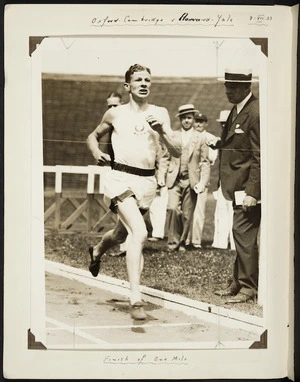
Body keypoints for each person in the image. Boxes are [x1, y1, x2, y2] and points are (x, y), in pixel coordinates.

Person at [86, 64, 181, 320]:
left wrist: (162, 130)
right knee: (139, 232)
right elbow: (92, 137)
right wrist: (97, 153)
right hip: (120, 179)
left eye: (147, 80)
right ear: (128, 86)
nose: (143, 83)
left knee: (120, 234)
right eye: (138, 79)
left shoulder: (160, 113)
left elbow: (177, 151)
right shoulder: (115, 114)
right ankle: (136, 298)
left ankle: (96, 251)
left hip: (147, 184)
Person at [207, 68, 260, 303]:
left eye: (234, 87)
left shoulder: (255, 112)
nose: (229, 90)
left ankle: (248, 287)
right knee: (239, 234)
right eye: (227, 86)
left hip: (247, 189)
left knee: (243, 233)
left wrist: (252, 192)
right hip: (235, 186)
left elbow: (259, 156)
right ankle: (238, 282)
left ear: (247, 87)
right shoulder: (237, 109)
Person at [165, 104, 210, 252]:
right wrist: (161, 176)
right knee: (172, 209)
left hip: (191, 180)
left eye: (189, 118)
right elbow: (165, 157)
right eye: (184, 118)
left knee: (187, 213)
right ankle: (172, 243)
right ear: (180, 119)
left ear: (193, 118)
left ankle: (182, 242)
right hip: (175, 179)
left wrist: (203, 182)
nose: (186, 121)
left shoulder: (200, 137)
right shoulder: (173, 136)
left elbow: (204, 162)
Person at [186, 113, 218, 248]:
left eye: (201, 122)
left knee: (199, 210)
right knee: (187, 210)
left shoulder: (210, 138)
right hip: (189, 176)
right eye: (197, 121)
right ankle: (185, 239)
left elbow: (211, 158)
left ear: (206, 124)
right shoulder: (189, 136)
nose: (198, 124)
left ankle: (196, 240)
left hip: (201, 177)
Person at [211, 110, 235, 250]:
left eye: (227, 123)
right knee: (220, 212)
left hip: (235, 182)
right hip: (222, 182)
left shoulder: (236, 141)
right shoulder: (221, 140)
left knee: (233, 213)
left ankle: (234, 244)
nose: (224, 126)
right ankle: (220, 242)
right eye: (222, 124)